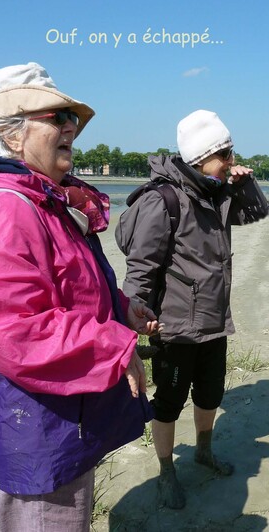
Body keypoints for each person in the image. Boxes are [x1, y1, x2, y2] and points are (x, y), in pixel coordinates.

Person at [0, 62, 160, 531]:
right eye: (56, 117)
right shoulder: (7, 208)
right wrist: (113, 347)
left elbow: (67, 288)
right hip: (41, 422)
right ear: (13, 137)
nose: (70, 127)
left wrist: (123, 310)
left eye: (72, 118)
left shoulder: (45, 201)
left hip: (62, 411)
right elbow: (16, 330)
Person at [115, 109, 269, 509]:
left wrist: (246, 184)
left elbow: (257, 213)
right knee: (168, 402)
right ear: (204, 156)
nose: (233, 160)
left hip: (215, 323)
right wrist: (131, 322)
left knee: (210, 394)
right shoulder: (163, 198)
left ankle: (203, 451)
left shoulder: (216, 192)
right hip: (175, 326)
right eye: (227, 154)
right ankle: (167, 471)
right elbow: (141, 269)